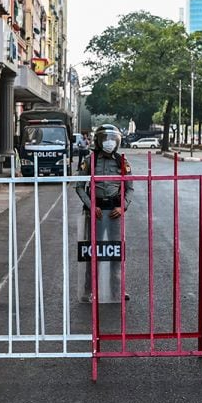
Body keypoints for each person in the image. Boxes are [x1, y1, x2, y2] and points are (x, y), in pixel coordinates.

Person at [75, 125, 133, 302]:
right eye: (105, 139)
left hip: (115, 212)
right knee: (93, 252)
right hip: (96, 212)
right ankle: (88, 291)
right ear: (99, 141)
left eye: (112, 139)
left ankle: (118, 291)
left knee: (116, 252)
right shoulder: (89, 160)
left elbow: (129, 188)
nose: (109, 143)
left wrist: (122, 206)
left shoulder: (121, 161)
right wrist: (91, 206)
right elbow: (79, 187)